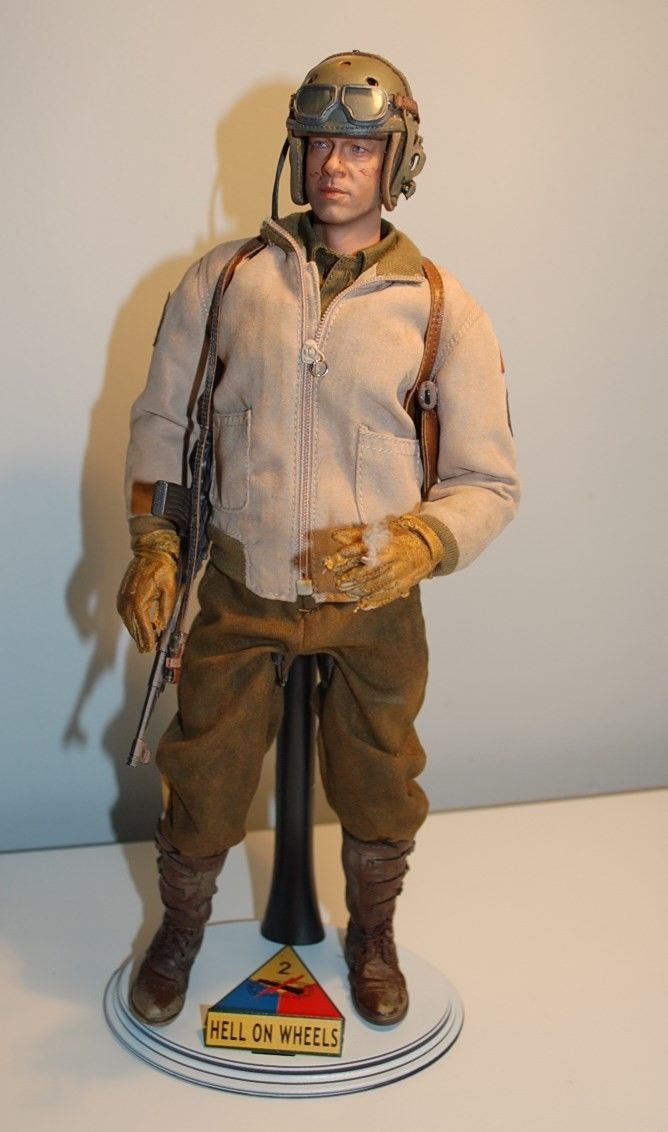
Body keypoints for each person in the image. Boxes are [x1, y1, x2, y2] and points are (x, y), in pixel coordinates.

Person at [117, 50, 519, 1029]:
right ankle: (179, 929)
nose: (334, 164)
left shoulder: (439, 308)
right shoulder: (226, 282)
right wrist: (157, 544)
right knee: (203, 767)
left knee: (381, 775)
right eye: (318, 143)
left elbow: (486, 479)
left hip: (373, 600)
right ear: (295, 153)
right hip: (243, 584)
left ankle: (372, 933)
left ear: (397, 160)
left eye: (360, 147)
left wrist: (422, 542)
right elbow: (164, 422)